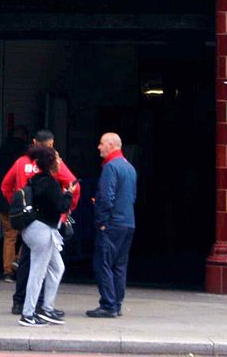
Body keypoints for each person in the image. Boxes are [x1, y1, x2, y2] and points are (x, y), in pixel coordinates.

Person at [1, 129, 80, 317]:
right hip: (43, 225)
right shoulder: (50, 177)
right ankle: (33, 310)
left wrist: (20, 207)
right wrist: (66, 211)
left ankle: (21, 302)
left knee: (28, 263)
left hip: (28, 221)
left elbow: (6, 185)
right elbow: (73, 185)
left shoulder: (21, 163)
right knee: (39, 270)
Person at [17, 146, 73, 327]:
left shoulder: (35, 180)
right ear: (50, 163)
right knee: (37, 273)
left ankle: (47, 308)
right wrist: (69, 194)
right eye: (57, 159)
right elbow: (61, 206)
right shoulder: (50, 183)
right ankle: (28, 314)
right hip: (42, 231)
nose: (59, 162)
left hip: (33, 229)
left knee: (57, 267)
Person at [87, 131, 137, 319]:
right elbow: (132, 196)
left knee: (103, 263)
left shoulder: (110, 168)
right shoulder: (129, 167)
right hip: (127, 222)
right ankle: (117, 302)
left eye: (101, 143)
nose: (98, 147)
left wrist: (101, 221)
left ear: (111, 145)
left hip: (112, 223)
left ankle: (108, 304)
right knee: (120, 266)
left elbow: (106, 197)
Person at [0, 125, 31, 278]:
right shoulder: (26, 154)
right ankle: (18, 261)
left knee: (9, 235)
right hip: (22, 200)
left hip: (3, 201)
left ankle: (8, 270)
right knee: (28, 233)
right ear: (25, 137)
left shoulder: (0, 151)